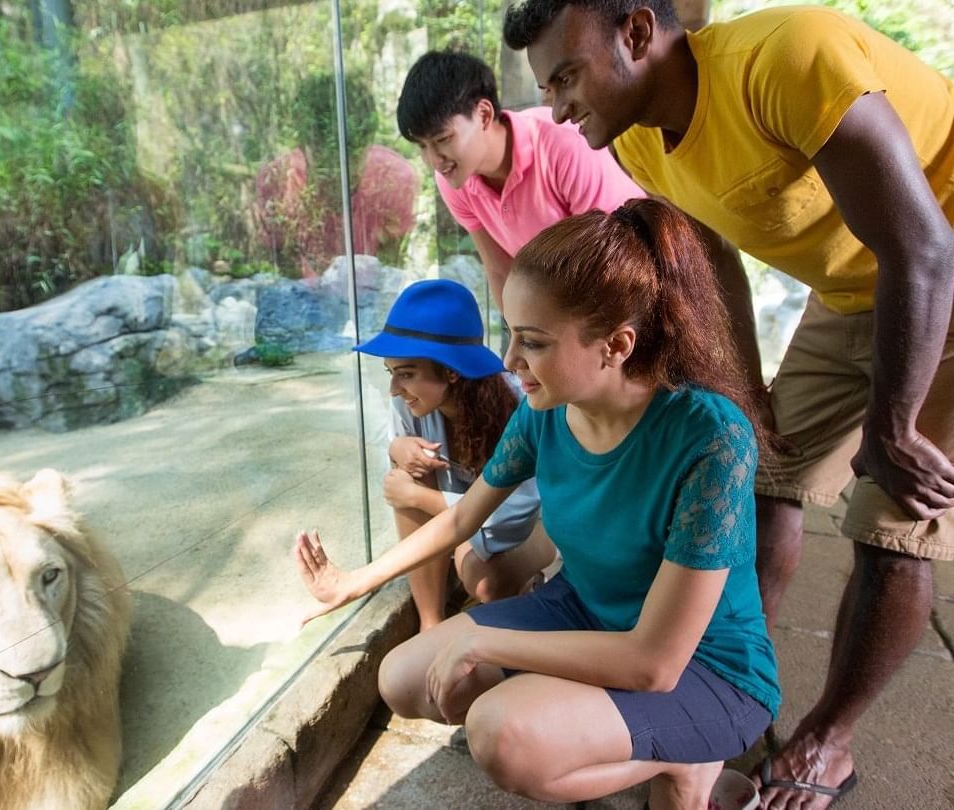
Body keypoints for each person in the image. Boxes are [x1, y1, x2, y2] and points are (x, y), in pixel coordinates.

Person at [501, 1, 954, 806]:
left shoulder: (787, 56)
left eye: (566, 76)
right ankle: (721, 688)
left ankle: (826, 742)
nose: (557, 106)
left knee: (894, 523)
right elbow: (712, 268)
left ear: (636, 34)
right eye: (546, 86)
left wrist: (890, 425)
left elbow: (926, 245)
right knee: (766, 476)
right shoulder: (639, 134)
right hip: (860, 281)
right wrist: (746, 401)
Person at [295, 199, 780, 809]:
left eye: (532, 342)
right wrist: (352, 582)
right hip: (585, 611)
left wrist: (485, 644)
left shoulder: (712, 438)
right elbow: (464, 518)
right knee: (401, 678)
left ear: (616, 345)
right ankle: (610, 732)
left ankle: (689, 761)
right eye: (509, 335)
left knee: (502, 735)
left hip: (703, 667)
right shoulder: (543, 414)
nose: (508, 362)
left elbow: (654, 663)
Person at [355, 278, 556, 631]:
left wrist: (419, 497)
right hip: (462, 522)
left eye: (406, 374)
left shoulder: (520, 405)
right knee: (407, 467)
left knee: (487, 585)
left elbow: (513, 514)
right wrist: (397, 447)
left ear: (451, 371)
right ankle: (429, 621)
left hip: (529, 526)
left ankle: (524, 594)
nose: (394, 389)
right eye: (391, 373)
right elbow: (403, 461)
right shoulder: (411, 402)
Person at [397, 51, 644, 310]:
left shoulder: (562, 144)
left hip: (635, 284)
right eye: (422, 147)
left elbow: (615, 255)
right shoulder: (453, 179)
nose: (434, 159)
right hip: (574, 300)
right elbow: (500, 270)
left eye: (443, 139)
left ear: (483, 114)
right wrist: (520, 342)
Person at [256, 72, 418, 275]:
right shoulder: (277, 180)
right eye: (325, 156)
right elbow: (283, 269)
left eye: (352, 153)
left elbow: (389, 272)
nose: (338, 168)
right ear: (303, 145)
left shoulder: (394, 180)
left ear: (368, 142)